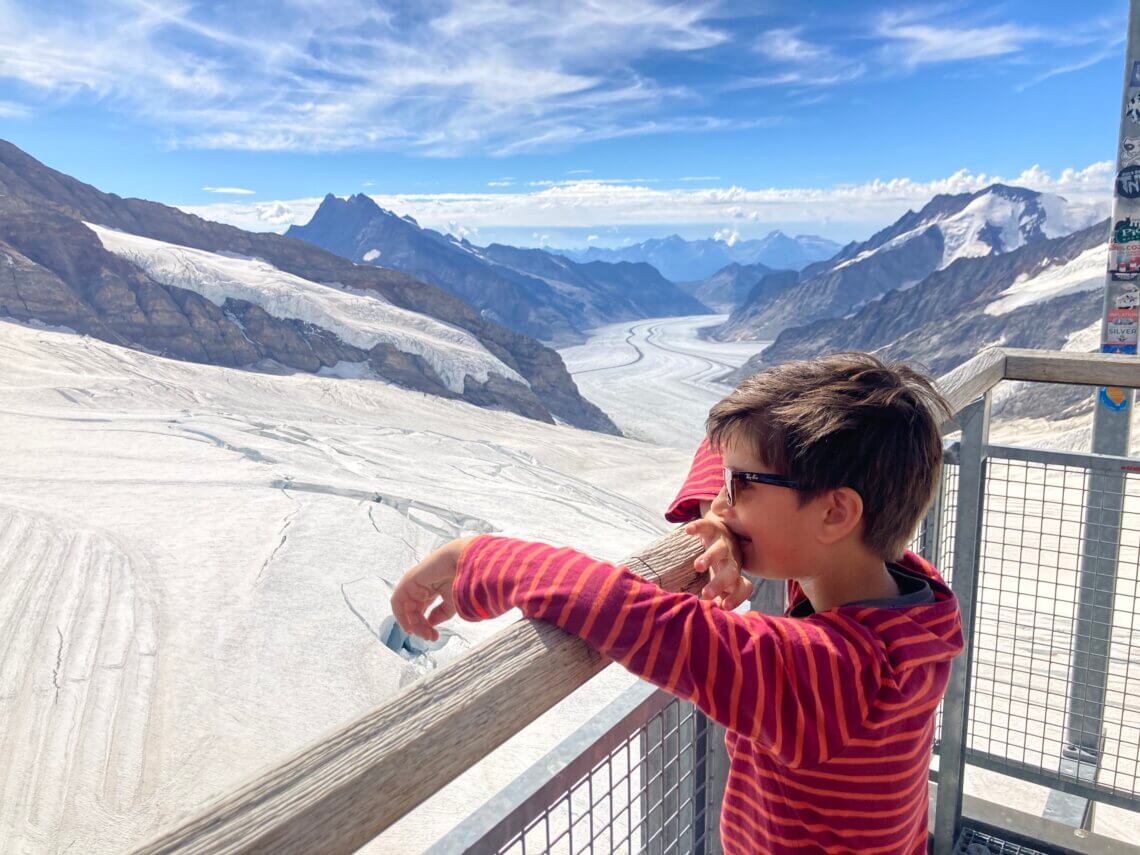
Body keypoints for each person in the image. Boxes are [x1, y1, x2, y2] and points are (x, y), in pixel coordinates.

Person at [391, 352, 964, 854]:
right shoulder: (909, 596)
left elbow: (632, 613)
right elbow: (738, 449)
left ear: (835, 514)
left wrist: (475, 561)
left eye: (739, 486)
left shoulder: (829, 676)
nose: (722, 497)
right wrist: (720, 515)